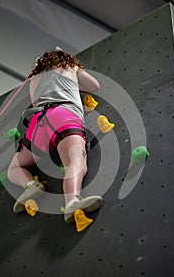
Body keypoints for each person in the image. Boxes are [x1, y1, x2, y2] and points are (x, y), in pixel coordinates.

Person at [7, 48, 102, 223]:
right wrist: (74, 79)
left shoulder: (34, 80)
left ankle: (30, 185)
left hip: (38, 121)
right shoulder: (70, 66)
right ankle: (72, 201)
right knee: (75, 162)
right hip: (63, 115)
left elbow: (35, 102)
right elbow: (95, 86)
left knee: (14, 168)